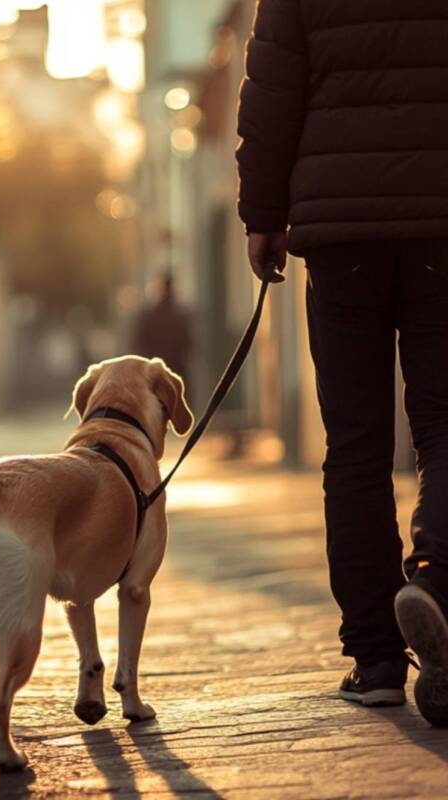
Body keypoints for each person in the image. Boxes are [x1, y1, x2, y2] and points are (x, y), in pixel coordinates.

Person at [236, 1, 448, 724]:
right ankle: (439, 579)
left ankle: (377, 657)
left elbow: (269, 97)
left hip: (341, 233)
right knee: (447, 426)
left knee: (355, 445)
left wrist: (262, 216)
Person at [131, 272, 193, 382]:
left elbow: (139, 343)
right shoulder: (179, 315)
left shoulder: (149, 315)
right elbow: (188, 344)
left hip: (155, 372)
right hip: (175, 370)